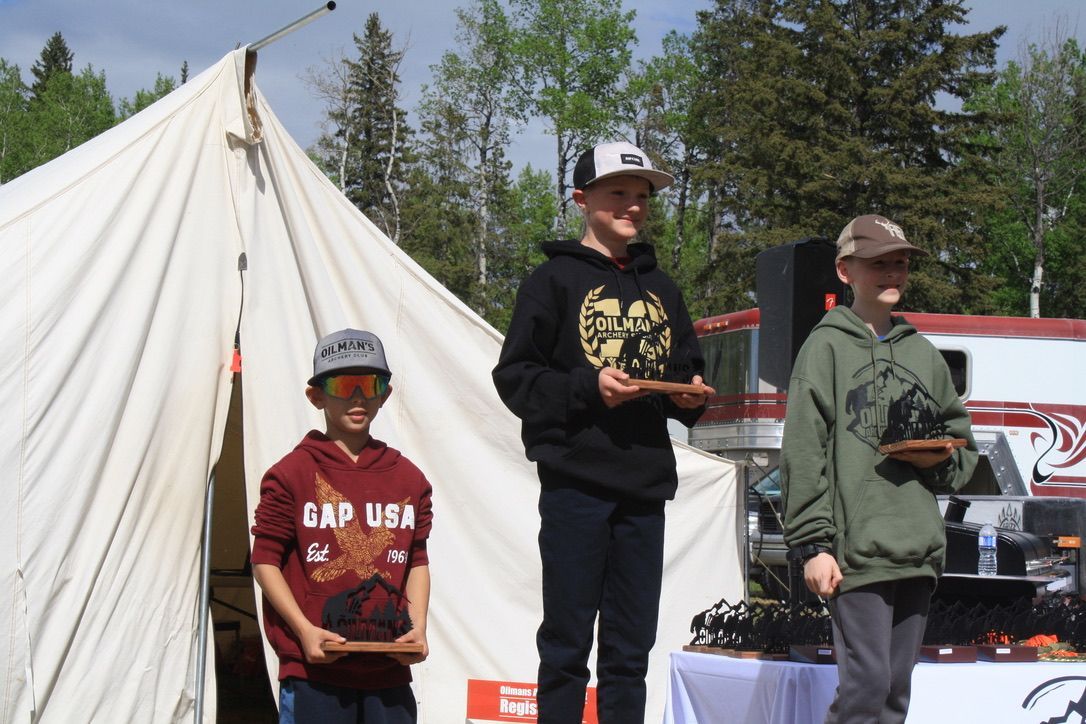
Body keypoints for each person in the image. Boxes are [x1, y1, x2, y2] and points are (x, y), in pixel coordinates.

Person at [492, 141, 714, 723]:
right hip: (576, 485)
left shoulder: (661, 287)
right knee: (566, 646)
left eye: (641, 196)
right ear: (581, 198)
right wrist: (591, 389)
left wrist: (690, 396)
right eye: (619, 193)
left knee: (629, 650)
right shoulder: (552, 280)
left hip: (644, 486)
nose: (633, 206)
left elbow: (685, 368)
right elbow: (516, 378)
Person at [781, 215, 978, 724]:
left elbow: (964, 453)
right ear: (845, 271)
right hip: (855, 551)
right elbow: (803, 451)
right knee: (865, 688)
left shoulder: (924, 354)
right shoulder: (823, 347)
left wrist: (938, 460)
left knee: (894, 694)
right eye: (878, 264)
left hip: (917, 549)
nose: (892, 274)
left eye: (900, 263)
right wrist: (812, 546)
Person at [251, 329, 433, 724]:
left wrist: (417, 629)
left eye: (370, 383)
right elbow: (264, 560)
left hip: (389, 672)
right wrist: (303, 630)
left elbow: (417, 560)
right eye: (342, 383)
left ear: (384, 394)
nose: (357, 396)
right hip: (313, 672)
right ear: (316, 395)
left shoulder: (410, 479)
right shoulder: (291, 473)